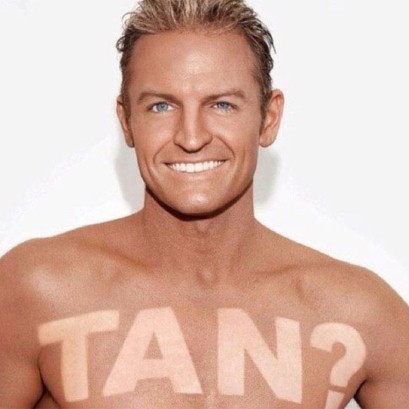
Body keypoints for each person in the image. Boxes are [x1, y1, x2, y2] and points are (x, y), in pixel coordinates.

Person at [0, 0, 408, 407]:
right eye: (161, 106)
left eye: (222, 105)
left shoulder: (356, 313)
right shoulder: (38, 290)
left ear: (268, 118)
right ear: (126, 121)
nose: (191, 137)